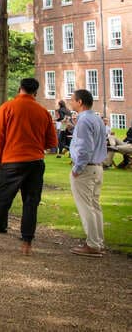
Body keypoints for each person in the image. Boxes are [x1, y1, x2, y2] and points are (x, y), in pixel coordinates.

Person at [0, 78, 57, 256]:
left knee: (2, 200)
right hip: (36, 161)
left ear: (20, 89)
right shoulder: (43, 112)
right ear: (36, 92)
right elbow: (51, 142)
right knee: (31, 202)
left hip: (12, 160)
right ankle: (26, 243)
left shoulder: (8, 107)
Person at [67, 90, 107, 257]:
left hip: (86, 168)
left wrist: (77, 169)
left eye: (72, 100)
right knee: (95, 206)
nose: (71, 102)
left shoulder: (83, 120)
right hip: (97, 167)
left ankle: (92, 244)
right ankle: (98, 242)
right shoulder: (97, 119)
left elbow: (85, 148)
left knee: (86, 207)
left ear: (80, 102)